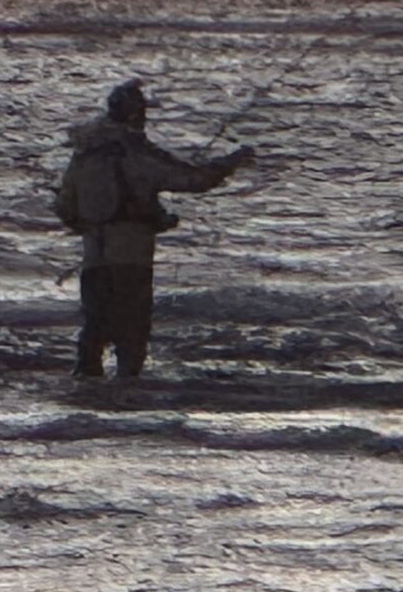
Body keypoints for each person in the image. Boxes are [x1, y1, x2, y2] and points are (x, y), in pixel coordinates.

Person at [54, 81, 254, 380]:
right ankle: (126, 392)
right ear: (136, 115)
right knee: (132, 331)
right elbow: (193, 180)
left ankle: (87, 389)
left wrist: (99, 224)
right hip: (131, 258)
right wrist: (231, 162)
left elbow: (65, 208)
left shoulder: (85, 156)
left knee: (94, 327)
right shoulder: (139, 155)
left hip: (94, 258)